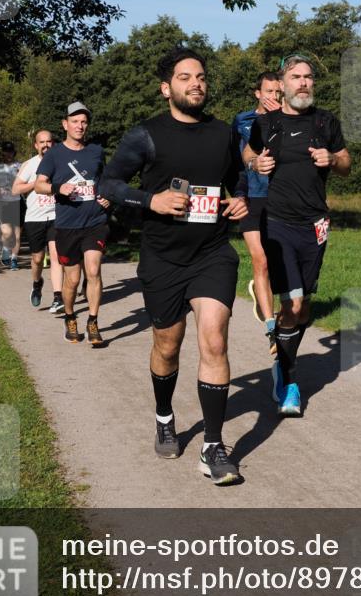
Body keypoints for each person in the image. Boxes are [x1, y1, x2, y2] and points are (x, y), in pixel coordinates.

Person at [99, 47, 249, 485]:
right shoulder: (145, 135)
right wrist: (153, 201)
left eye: (201, 76)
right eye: (185, 77)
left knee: (214, 340)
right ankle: (165, 416)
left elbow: (235, 180)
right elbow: (107, 184)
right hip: (162, 257)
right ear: (167, 88)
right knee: (167, 346)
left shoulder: (223, 134)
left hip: (212, 253)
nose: (196, 83)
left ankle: (212, 447)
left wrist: (237, 200)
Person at [243, 53, 351, 418]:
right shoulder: (267, 123)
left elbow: (347, 163)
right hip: (278, 222)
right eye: (296, 77)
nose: (303, 83)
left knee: (302, 305)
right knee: (292, 300)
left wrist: (332, 161)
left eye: (308, 77)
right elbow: (247, 152)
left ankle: (281, 357)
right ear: (284, 84)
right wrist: (255, 163)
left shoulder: (325, 121)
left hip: (316, 223)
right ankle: (288, 379)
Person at [35, 103, 111, 345]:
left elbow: (107, 181)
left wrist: (108, 196)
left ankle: (93, 321)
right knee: (73, 279)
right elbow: (39, 184)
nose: (80, 126)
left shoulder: (96, 151)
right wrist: (58, 188)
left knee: (93, 269)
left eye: (84, 122)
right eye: (75, 121)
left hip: (95, 221)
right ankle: (70, 316)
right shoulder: (55, 155)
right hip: (67, 225)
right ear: (65, 124)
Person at [232, 71, 282, 353]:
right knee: (260, 260)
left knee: (276, 262)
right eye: (269, 91)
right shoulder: (242, 121)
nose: (274, 97)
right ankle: (271, 328)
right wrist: (237, 192)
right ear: (257, 93)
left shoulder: (288, 119)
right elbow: (233, 158)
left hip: (279, 198)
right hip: (251, 196)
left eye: (278, 92)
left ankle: (262, 293)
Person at [12, 129, 64, 312]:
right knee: (37, 258)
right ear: (36, 146)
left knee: (56, 256)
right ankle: (37, 283)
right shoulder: (30, 165)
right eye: (41, 142)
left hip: (56, 216)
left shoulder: (61, 162)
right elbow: (15, 190)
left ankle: (58, 296)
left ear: (53, 144)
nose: (45, 145)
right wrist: (36, 184)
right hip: (35, 217)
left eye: (48, 141)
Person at [0, 143, 22, 269]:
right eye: (6, 151)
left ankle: (14, 259)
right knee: (7, 233)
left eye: (10, 151)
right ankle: (5, 251)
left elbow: (26, 181)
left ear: (14, 152)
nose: (8, 154)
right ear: (2, 153)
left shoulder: (19, 166)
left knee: (17, 234)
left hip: (17, 202)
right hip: (3, 203)